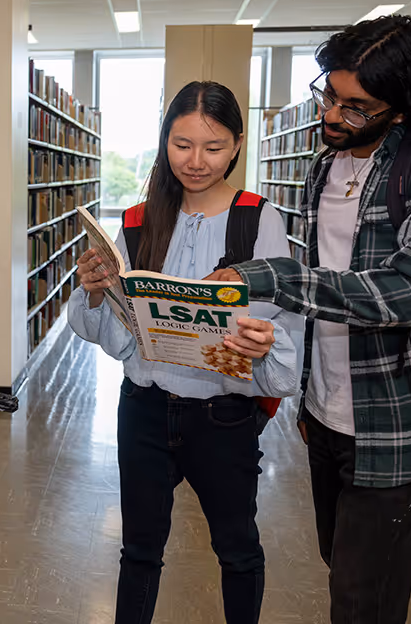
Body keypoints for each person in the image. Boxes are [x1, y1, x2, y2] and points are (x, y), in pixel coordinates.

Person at [207, 15, 411, 623]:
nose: (333, 115)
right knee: (341, 565)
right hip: (326, 415)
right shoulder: (323, 167)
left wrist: (269, 274)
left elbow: (406, 294)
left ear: (403, 108)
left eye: (356, 107)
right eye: (329, 94)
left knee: (363, 600)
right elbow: (324, 285)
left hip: (393, 418)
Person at [69, 81, 304, 624]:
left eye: (214, 147)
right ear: (164, 141)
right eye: (181, 145)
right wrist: (97, 291)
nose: (196, 162)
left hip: (224, 416)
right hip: (145, 409)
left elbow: (285, 328)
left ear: (238, 145)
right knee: (139, 550)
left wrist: (263, 343)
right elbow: (119, 335)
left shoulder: (259, 219)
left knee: (238, 549)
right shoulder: (135, 220)